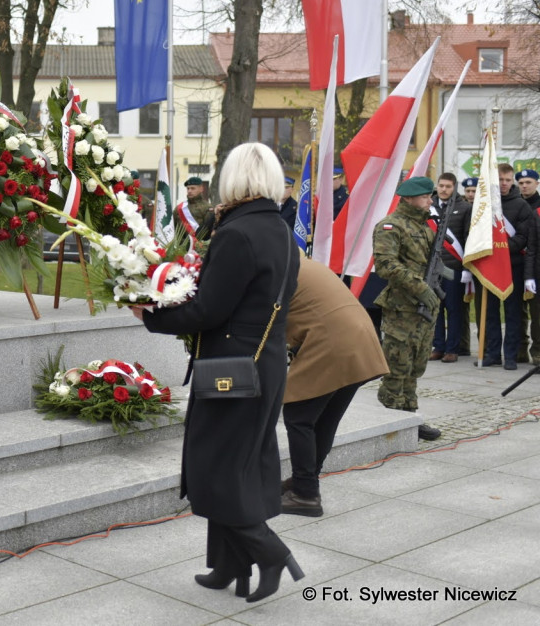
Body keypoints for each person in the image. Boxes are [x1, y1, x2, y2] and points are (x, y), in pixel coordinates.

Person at [132, 142, 303, 603]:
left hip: (232, 370)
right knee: (240, 463)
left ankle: (268, 553)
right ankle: (229, 564)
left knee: (215, 468)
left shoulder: (236, 233)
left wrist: (150, 315)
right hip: (263, 362)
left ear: (233, 179)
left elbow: (209, 309)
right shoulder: (280, 230)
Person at [281, 259, 389, 516]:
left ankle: (305, 495)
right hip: (358, 335)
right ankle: (305, 483)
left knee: (299, 415)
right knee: (324, 418)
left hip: (333, 340)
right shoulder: (295, 260)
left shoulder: (273, 266)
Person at [372, 176, 443, 441]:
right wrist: (419, 287)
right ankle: (391, 419)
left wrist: (431, 288)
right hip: (402, 308)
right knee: (398, 364)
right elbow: (386, 265)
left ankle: (410, 417)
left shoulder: (425, 226)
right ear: (410, 198)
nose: (430, 201)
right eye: (426, 196)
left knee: (415, 364)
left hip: (425, 307)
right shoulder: (391, 226)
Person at [478, 163, 533, 370]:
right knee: (490, 311)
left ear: (512, 181)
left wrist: (500, 250)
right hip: (489, 266)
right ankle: (492, 353)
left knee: (512, 313)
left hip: (513, 266)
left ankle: (510, 355)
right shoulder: (485, 204)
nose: (504, 184)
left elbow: (522, 237)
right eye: (500, 180)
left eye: (508, 180)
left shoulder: (521, 206)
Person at [429, 172, 470, 363]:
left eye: (448, 186)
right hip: (433, 267)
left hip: (454, 267)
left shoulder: (464, 208)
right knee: (435, 308)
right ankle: (438, 346)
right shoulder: (429, 207)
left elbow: (467, 238)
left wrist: (467, 268)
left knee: (454, 309)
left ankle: (452, 349)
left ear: (454, 188)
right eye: (441, 185)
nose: (444, 189)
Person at [516, 169, 540, 364]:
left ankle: (536, 352)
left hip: (532, 262)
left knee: (536, 314)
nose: (524, 185)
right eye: (521, 182)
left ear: (537, 183)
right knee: (518, 310)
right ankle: (520, 348)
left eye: (528, 182)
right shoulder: (514, 204)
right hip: (518, 261)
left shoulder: (537, 207)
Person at [459, 176, 479, 355]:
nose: (471, 194)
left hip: (480, 262)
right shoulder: (461, 209)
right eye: (468, 191)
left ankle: (482, 345)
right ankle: (463, 344)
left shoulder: (482, 209)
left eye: (474, 191)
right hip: (461, 261)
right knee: (461, 305)